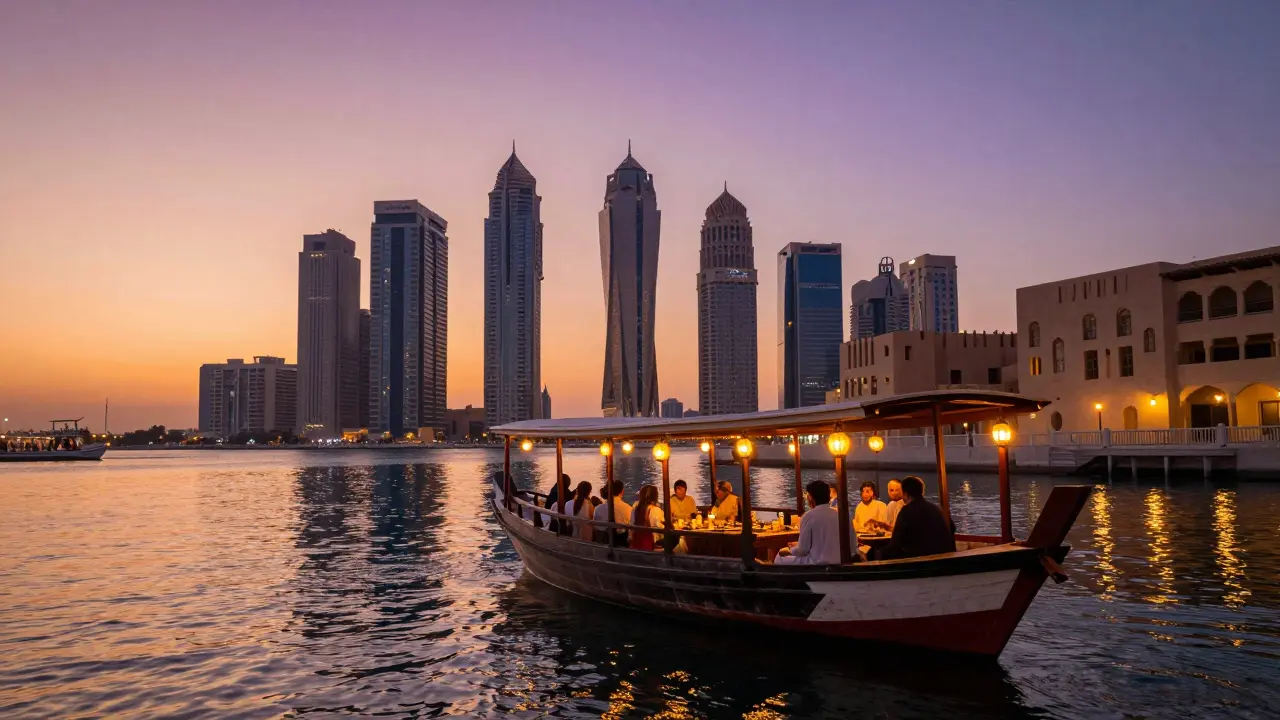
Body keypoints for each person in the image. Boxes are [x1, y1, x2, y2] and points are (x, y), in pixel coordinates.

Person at [877, 475, 956, 560]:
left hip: (920, 559)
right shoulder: (936, 509)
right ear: (922, 491)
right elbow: (952, 529)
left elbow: (895, 542)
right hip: (943, 555)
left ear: (905, 494)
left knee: (883, 552)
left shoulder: (907, 511)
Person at [774, 481, 848, 565]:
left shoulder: (808, 516)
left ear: (810, 498)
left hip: (816, 563)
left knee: (779, 557)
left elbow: (802, 550)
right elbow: (852, 545)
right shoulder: (842, 515)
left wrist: (789, 550)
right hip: (841, 562)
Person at [593, 479, 632, 544]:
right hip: (621, 544)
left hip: (602, 544)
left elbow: (596, 528)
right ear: (622, 491)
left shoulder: (597, 509)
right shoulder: (628, 509)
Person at [630, 485, 665, 550]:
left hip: (636, 543)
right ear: (655, 496)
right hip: (652, 543)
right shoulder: (655, 510)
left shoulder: (635, 509)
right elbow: (661, 527)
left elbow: (632, 524)